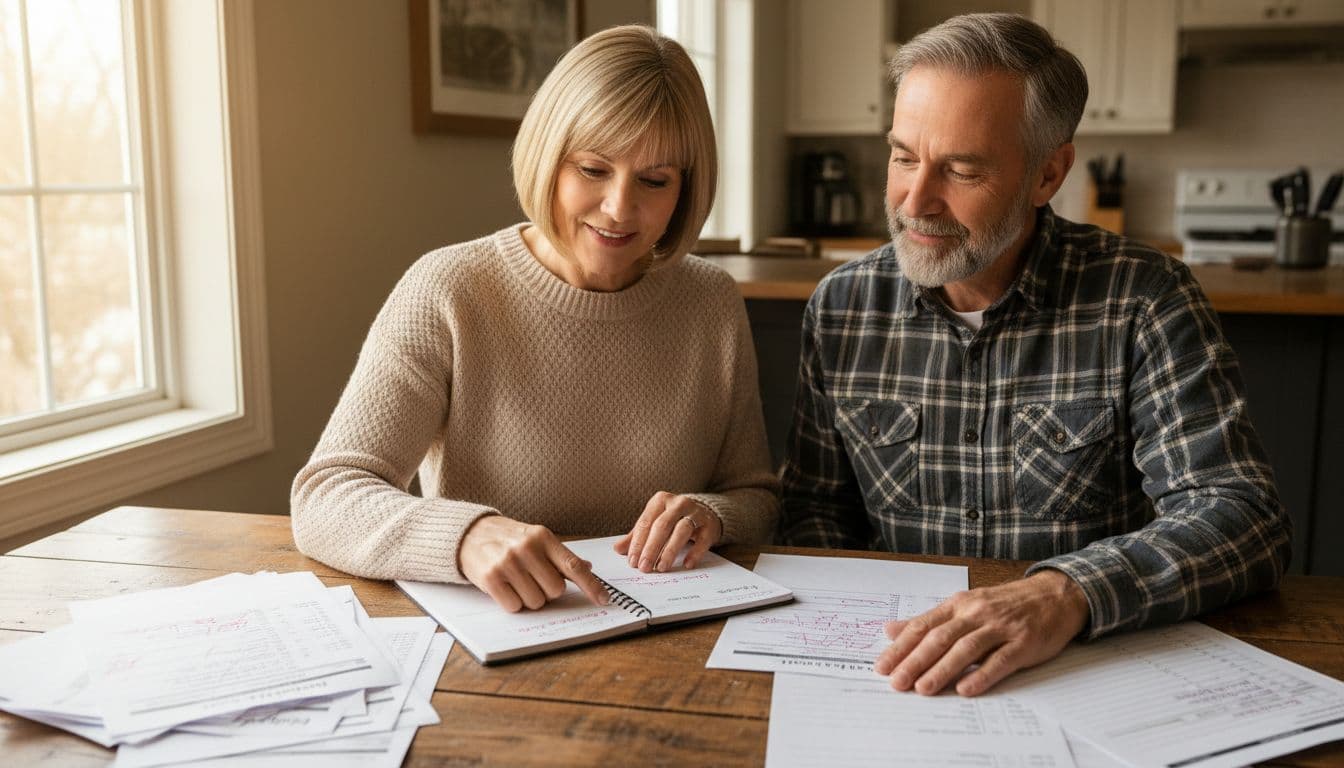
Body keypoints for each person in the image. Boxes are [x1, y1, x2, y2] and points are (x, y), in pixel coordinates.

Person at [779, 13, 1290, 698]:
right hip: (898, 677)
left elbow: (1242, 514)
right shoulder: (842, 306)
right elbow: (815, 510)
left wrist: (1064, 593)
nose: (915, 199)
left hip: (1088, 671)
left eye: (960, 168)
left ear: (1048, 173)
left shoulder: (1141, 297)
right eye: (903, 156)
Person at [292, 25, 777, 613]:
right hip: (502, 631)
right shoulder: (449, 290)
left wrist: (714, 516)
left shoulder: (712, 302)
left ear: (686, 188)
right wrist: (465, 536)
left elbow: (756, 495)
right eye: (593, 170)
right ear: (548, 158)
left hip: (666, 633)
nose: (620, 208)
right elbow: (325, 496)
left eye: (655, 180)